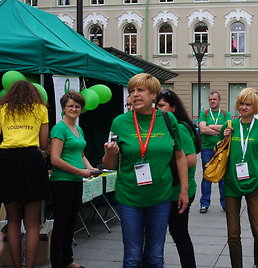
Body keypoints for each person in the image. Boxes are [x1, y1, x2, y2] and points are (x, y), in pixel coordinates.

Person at [102, 73, 189, 268]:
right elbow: (108, 165)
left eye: (140, 90)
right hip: (129, 197)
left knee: (155, 256)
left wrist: (183, 190)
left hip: (161, 197)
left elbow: (180, 155)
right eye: (132, 91)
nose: (135, 95)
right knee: (132, 257)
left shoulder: (168, 120)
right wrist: (111, 153)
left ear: (154, 95)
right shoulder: (119, 122)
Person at [220, 88, 258, 268]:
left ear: (255, 106)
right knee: (233, 234)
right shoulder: (230, 125)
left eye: (248, 104)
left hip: (254, 183)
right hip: (231, 183)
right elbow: (217, 153)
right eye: (241, 103)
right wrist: (223, 138)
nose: (243, 107)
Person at [0, 80, 50, 268]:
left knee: (12, 220)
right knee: (32, 223)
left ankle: (15, 266)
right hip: (31, 159)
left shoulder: (3, 109)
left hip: (6, 160)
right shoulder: (40, 109)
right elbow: (44, 143)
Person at [49, 92, 98, 268]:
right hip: (62, 181)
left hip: (76, 180)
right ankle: (57, 263)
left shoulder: (79, 129)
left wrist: (91, 169)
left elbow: (81, 154)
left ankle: (68, 260)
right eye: (70, 106)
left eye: (77, 106)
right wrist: (80, 171)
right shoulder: (59, 128)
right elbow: (54, 159)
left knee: (71, 222)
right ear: (63, 107)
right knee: (61, 224)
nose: (74, 109)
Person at [155, 89, 201, 268]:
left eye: (161, 106)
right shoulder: (165, 125)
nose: (157, 110)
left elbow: (190, 159)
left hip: (178, 192)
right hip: (170, 191)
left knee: (179, 235)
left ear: (173, 108)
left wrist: (162, 165)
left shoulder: (179, 127)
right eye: (156, 106)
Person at [198, 92, 232, 213]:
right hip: (207, 148)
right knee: (207, 175)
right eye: (210, 99)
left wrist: (211, 126)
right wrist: (220, 131)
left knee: (222, 176)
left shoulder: (225, 113)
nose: (212, 101)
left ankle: (225, 203)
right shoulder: (204, 113)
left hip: (222, 149)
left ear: (219, 100)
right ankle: (204, 203)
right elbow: (202, 129)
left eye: (214, 99)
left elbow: (228, 129)